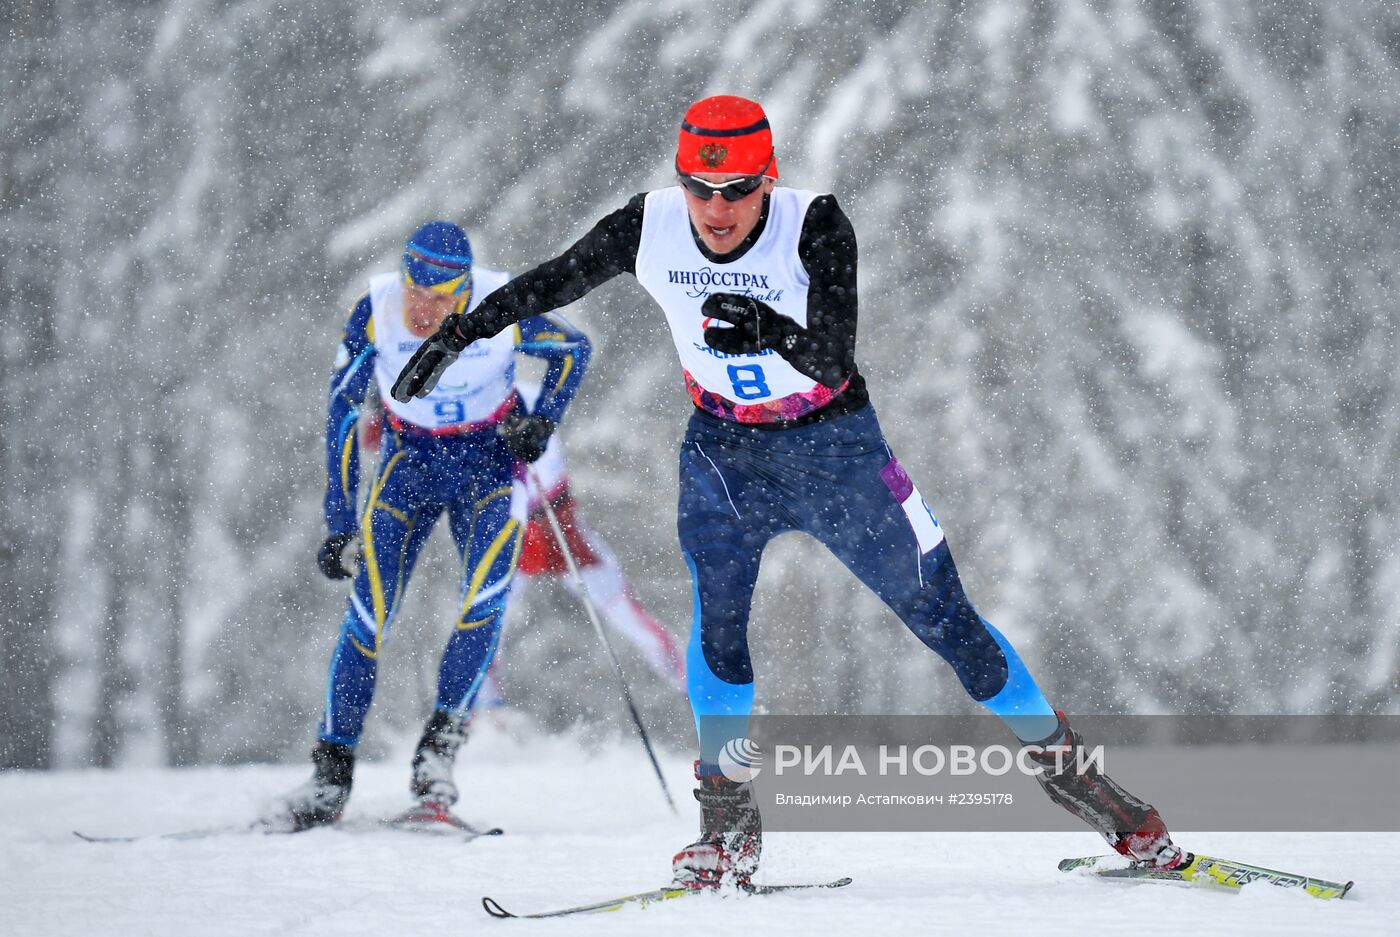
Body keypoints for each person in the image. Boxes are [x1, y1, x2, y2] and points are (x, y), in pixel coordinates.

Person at [391, 97, 1182, 886]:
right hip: (724, 452)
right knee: (720, 630)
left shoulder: (817, 225)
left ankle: (1085, 784)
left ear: (768, 178)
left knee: (951, 626)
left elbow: (834, 359)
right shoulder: (651, 224)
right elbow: (552, 282)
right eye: (701, 188)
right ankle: (726, 824)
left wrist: (772, 329)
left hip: (836, 447)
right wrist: (463, 331)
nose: (717, 207)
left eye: (737, 188)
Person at [267, 221, 591, 831]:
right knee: (369, 614)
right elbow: (342, 411)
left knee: (484, 603)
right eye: (417, 290)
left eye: (441, 298)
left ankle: (436, 761)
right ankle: (330, 775)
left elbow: (573, 352)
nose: (423, 308)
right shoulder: (377, 308)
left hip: (488, 464)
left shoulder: (503, 306)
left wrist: (541, 423)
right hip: (409, 465)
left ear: (466, 291)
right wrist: (339, 523)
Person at [359, 384, 686, 698]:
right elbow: (380, 441)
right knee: (482, 620)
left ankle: (692, 686)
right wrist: (383, 406)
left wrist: (520, 444)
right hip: (508, 528)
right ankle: (479, 717)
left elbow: (547, 457)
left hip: (555, 523)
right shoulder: (458, 399)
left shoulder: (524, 395)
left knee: (623, 611)